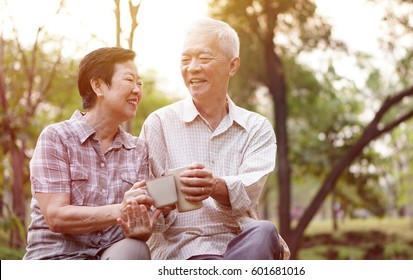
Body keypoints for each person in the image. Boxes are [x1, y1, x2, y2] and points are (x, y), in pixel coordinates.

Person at [140, 18, 289, 260]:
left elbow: (248, 193)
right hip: (184, 247)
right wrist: (165, 199)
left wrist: (213, 186)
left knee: (265, 229)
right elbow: (149, 209)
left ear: (232, 66)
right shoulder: (159, 123)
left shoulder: (256, 127)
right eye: (186, 59)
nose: (193, 68)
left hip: (245, 243)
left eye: (204, 58)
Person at [23, 47, 161, 260]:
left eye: (140, 83)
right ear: (97, 85)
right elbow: (56, 216)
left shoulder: (138, 149)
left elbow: (137, 225)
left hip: (110, 259)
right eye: (129, 80)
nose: (137, 90)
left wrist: (140, 227)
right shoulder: (56, 137)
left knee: (136, 249)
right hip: (55, 258)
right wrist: (120, 210)